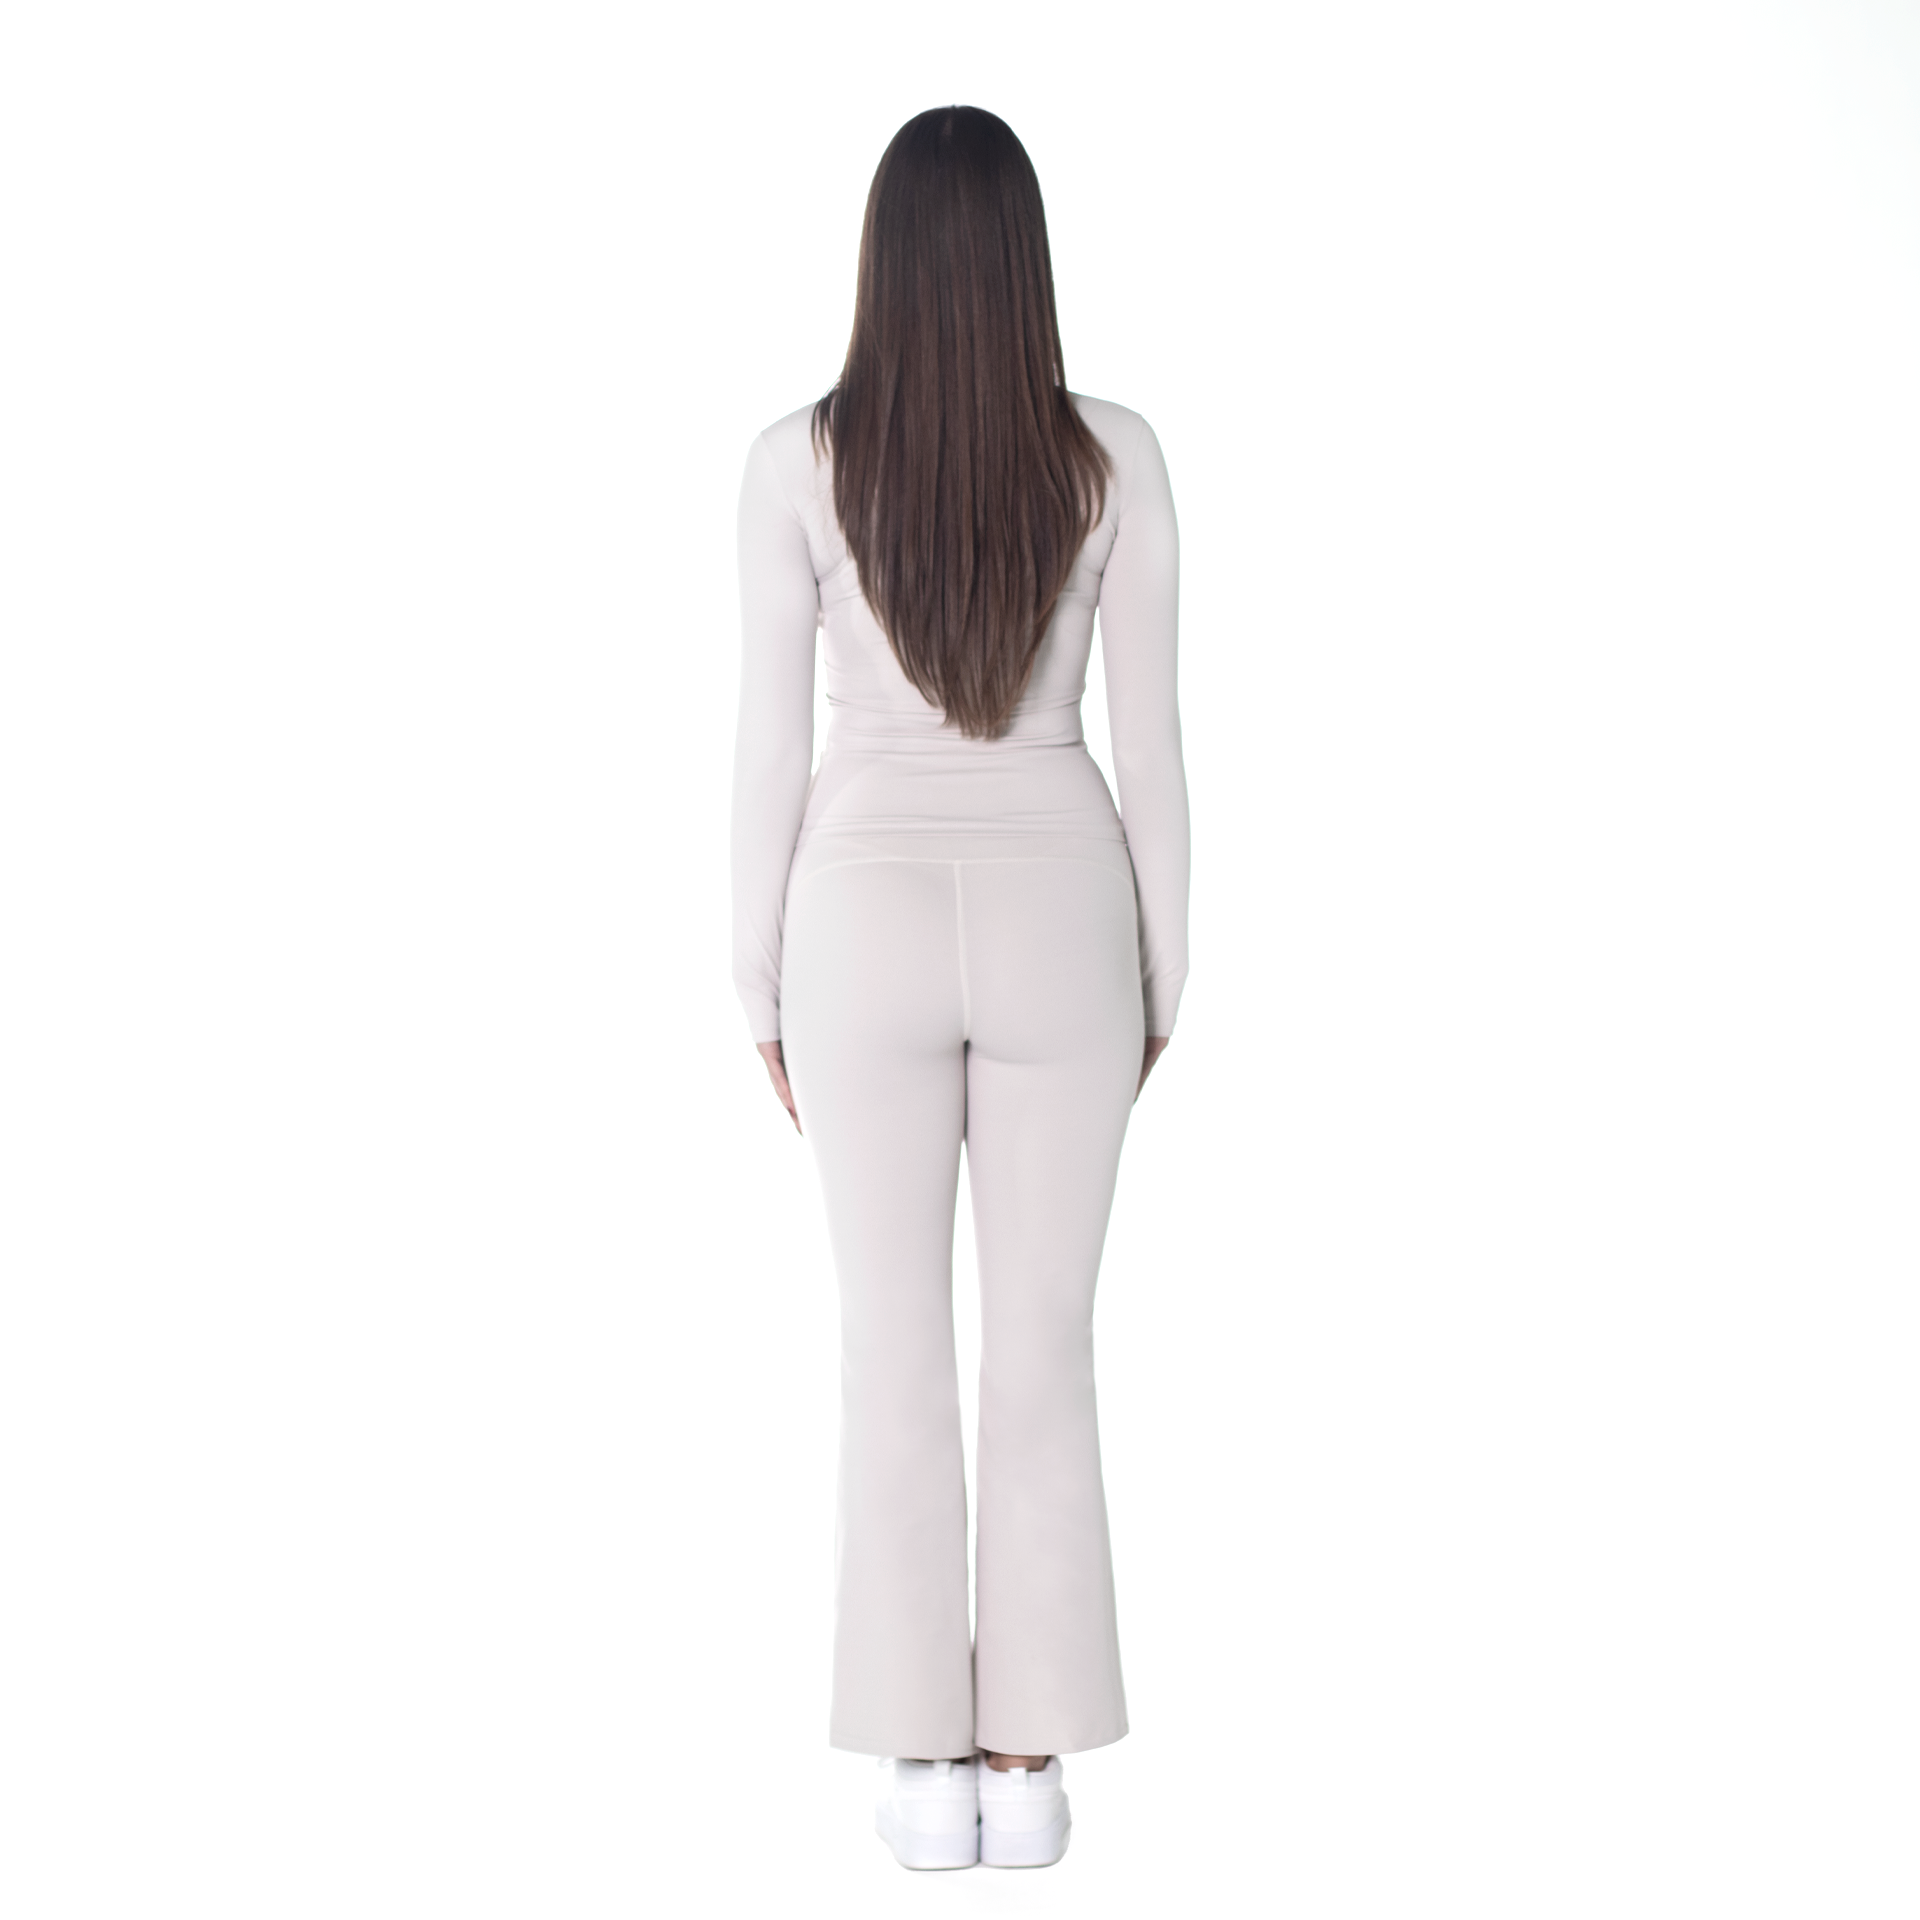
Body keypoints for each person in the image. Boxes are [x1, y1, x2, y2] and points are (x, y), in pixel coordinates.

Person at [729, 104, 1188, 1871]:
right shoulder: (1115, 457)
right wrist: (1162, 972)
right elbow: (1153, 743)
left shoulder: (794, 463)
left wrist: (760, 988)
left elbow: (770, 750)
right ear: (1022, 263)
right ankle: (1028, 1767)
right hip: (1068, 902)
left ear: (882, 260)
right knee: (1046, 1344)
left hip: (857, 920)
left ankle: (924, 1771)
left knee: (892, 1345)